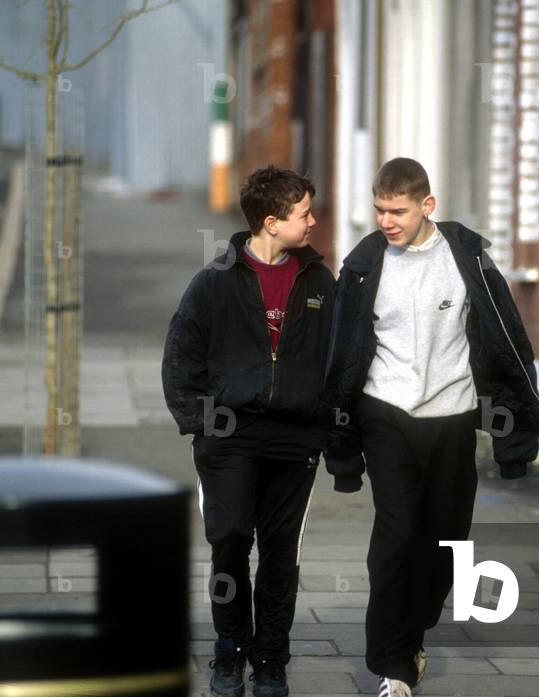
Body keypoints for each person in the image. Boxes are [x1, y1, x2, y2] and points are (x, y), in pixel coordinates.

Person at [323, 157, 539, 697]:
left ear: (427, 205)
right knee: (396, 534)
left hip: (453, 415)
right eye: (379, 210)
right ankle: (392, 664)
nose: (386, 221)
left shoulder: (467, 260)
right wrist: (341, 449)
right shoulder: (362, 267)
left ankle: (415, 630)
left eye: (396, 210)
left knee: (445, 539)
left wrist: (514, 439)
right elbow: (343, 358)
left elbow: (506, 345)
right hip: (386, 412)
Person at [162, 166, 335, 697]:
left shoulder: (321, 283)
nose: (313, 221)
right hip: (228, 437)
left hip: (295, 440)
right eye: (304, 213)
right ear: (271, 221)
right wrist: (202, 424)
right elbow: (180, 360)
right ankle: (229, 651)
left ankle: (270, 661)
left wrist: (327, 426)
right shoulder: (214, 283)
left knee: (281, 552)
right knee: (231, 541)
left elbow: (339, 360)